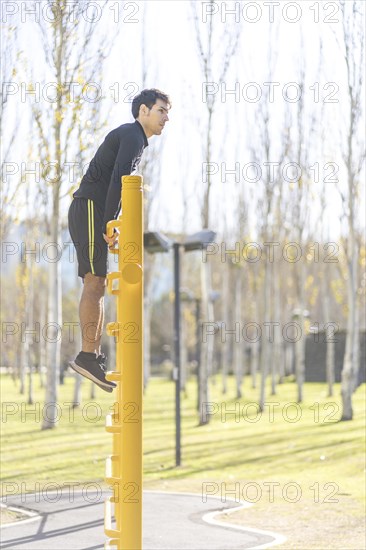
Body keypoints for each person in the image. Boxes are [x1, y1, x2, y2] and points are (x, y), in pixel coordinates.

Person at [68, 88, 171, 392]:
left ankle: (91, 356)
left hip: (96, 211)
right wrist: (108, 223)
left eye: (167, 111)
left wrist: (112, 222)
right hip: (89, 207)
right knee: (94, 280)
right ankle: (87, 356)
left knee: (98, 282)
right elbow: (120, 179)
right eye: (161, 110)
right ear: (143, 111)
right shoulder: (132, 134)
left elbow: (122, 182)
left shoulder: (136, 140)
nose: (167, 117)